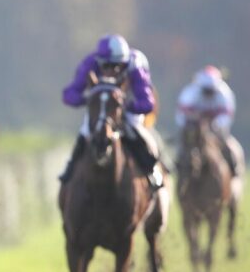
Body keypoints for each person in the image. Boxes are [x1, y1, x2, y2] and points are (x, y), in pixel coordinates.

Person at [60, 34, 163, 189]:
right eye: (106, 66)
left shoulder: (135, 66)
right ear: (99, 62)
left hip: (128, 106)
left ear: (124, 63)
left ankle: (151, 170)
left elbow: (147, 103)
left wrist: (127, 106)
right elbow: (69, 94)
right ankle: (70, 171)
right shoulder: (90, 63)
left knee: (136, 131)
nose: (111, 71)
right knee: (85, 131)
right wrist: (88, 100)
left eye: (116, 66)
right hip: (101, 106)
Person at [175, 65, 239, 176]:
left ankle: (233, 168)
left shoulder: (224, 93)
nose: (208, 94)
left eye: (211, 91)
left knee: (226, 144)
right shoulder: (190, 93)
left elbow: (227, 115)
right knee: (185, 145)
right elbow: (181, 115)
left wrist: (215, 124)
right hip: (194, 127)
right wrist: (192, 123)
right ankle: (179, 167)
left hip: (216, 128)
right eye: (206, 90)